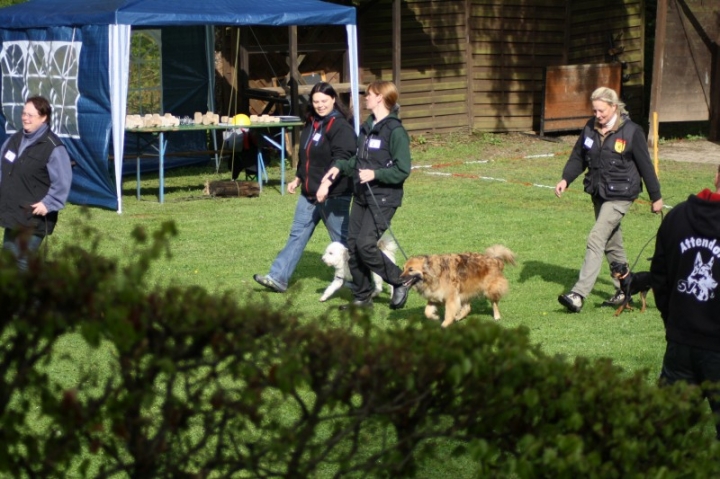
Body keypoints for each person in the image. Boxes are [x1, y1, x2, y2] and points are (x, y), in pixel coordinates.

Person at [555, 86, 663, 312]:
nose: (597, 115)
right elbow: (578, 157)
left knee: (596, 237)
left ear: (614, 107)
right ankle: (624, 291)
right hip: (599, 193)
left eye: (601, 111)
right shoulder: (590, 128)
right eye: (594, 111)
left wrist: (656, 197)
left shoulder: (632, 131)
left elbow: (646, 166)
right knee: (612, 243)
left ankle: (578, 294)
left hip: (621, 195)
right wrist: (566, 179)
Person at [316, 80, 412, 310]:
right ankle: (362, 296)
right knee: (353, 245)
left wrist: (376, 174)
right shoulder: (367, 128)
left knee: (366, 244)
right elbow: (358, 162)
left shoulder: (396, 132)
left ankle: (401, 280)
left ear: (380, 97)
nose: (365, 97)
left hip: (384, 197)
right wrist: (338, 168)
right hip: (361, 195)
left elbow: (403, 169)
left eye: (368, 94)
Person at [253, 82, 356, 293]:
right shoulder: (312, 122)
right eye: (316, 101)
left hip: (334, 195)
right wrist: (298, 178)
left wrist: (326, 185)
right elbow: (306, 155)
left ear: (333, 100)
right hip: (309, 194)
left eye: (324, 101)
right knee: (297, 234)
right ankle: (277, 277)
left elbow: (342, 159)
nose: (320, 105)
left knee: (342, 241)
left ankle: (359, 282)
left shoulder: (340, 127)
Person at [651, 164, 720, 439]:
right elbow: (661, 276)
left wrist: (675, 321)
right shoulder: (678, 216)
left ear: (716, 175)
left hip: (680, 343)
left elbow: (659, 278)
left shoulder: (676, 216)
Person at [0, 95, 72, 271]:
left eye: (30, 115)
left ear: (44, 117)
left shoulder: (53, 147)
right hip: (12, 214)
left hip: (33, 217)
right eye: (24, 113)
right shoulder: (14, 140)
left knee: (21, 264)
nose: (25, 118)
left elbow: (62, 180)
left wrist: (49, 203)